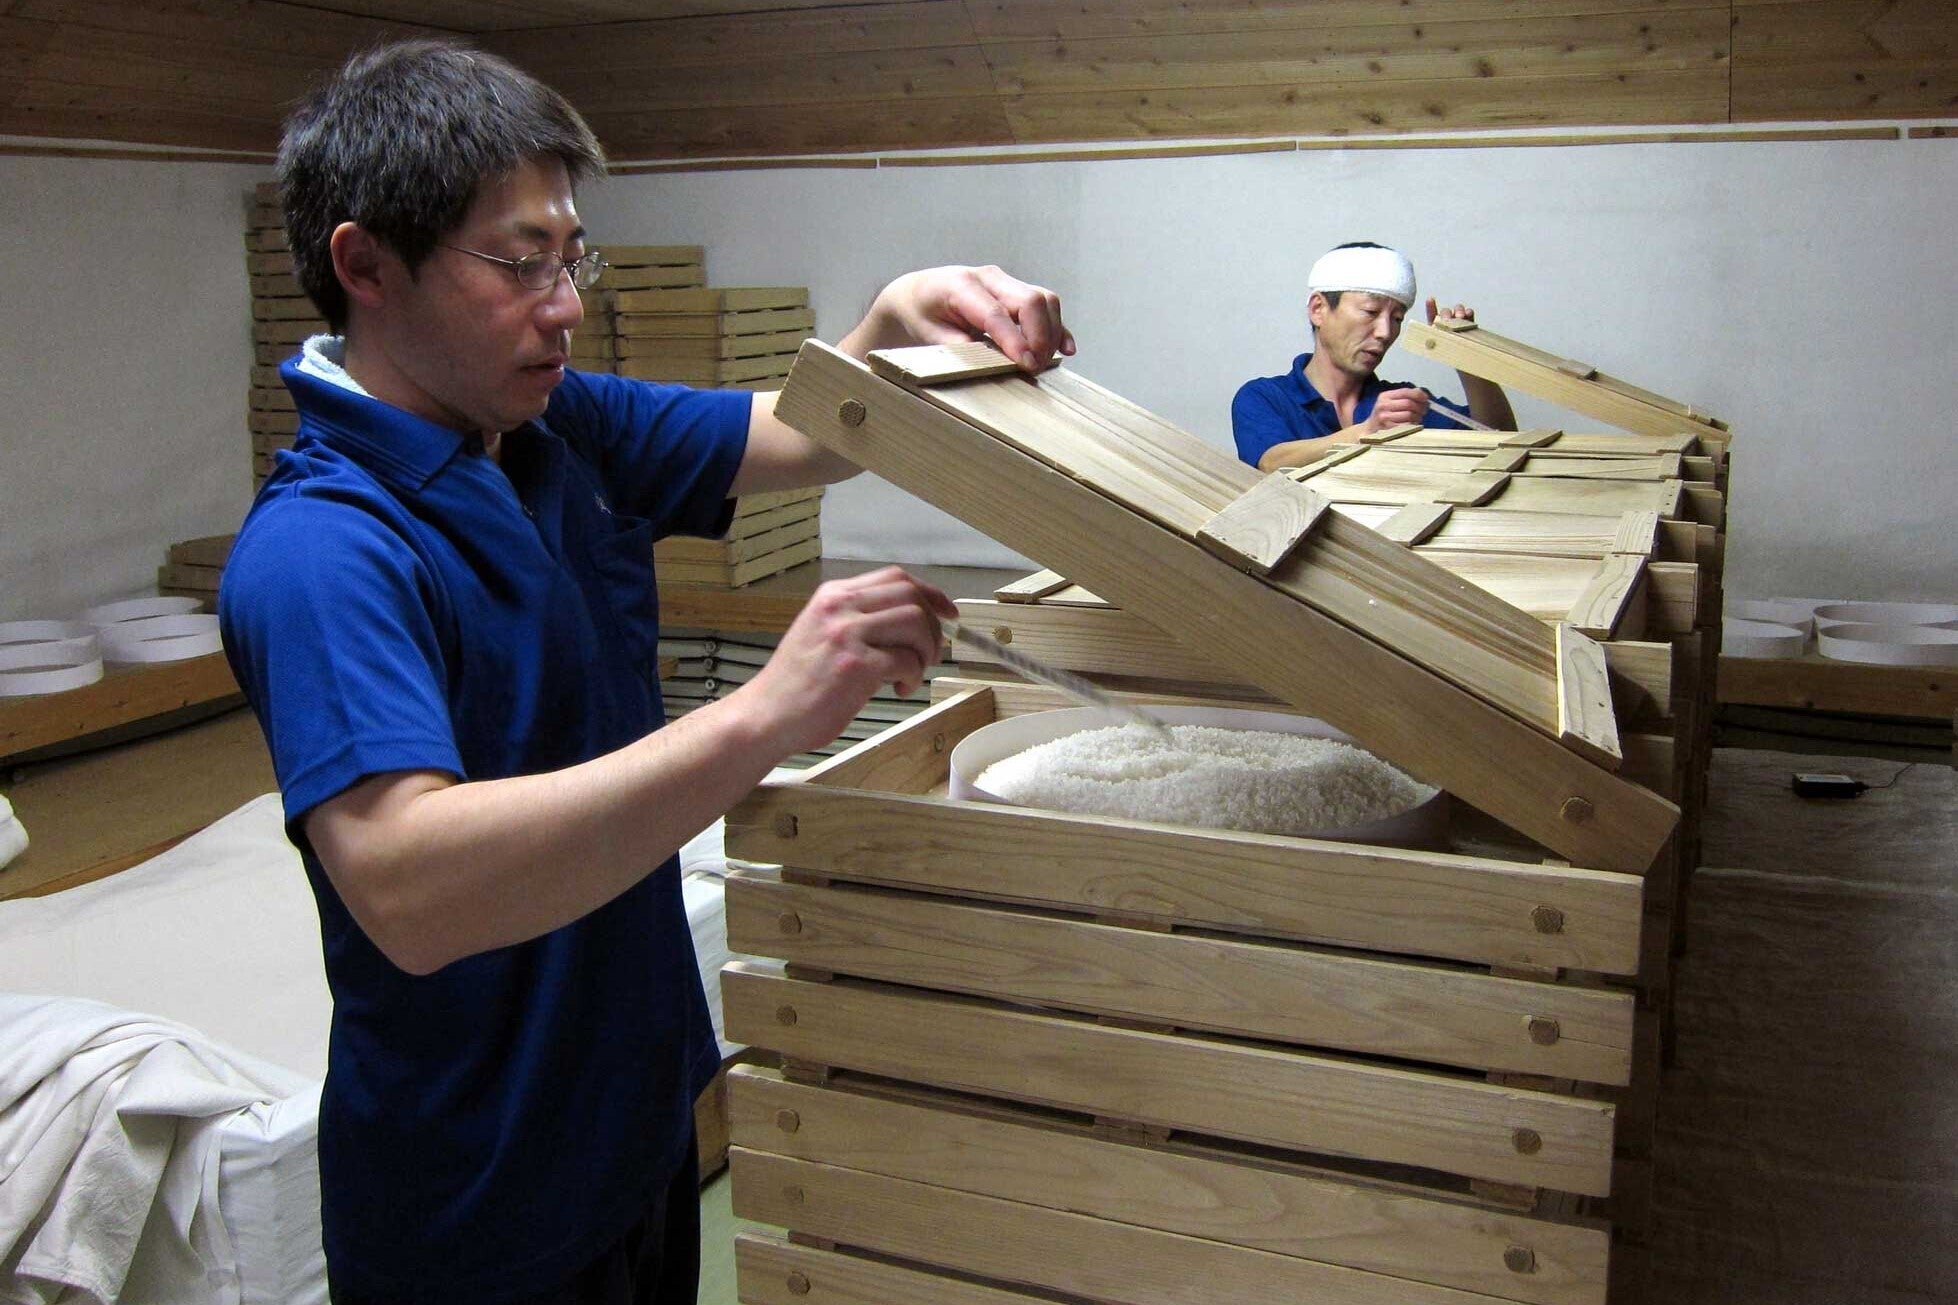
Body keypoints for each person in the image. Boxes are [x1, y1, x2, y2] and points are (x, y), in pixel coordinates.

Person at [216, 39, 1073, 1305]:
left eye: (572, 257)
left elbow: (795, 434)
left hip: (634, 1119)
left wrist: (894, 321)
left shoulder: (546, 428)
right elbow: (408, 886)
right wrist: (766, 714)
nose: (562, 303)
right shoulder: (322, 551)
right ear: (366, 265)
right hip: (477, 1197)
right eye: (519, 262)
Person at [1230, 241, 1515, 471]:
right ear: (1318, 309)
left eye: (1397, 318)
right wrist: (1367, 431)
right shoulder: (1266, 396)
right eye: (1371, 311)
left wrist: (1468, 357)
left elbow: (1500, 441)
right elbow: (1271, 463)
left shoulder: (1401, 404)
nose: (1385, 332)